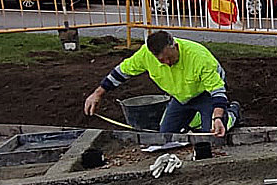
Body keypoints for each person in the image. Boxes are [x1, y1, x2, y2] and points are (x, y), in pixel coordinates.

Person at [83, 30, 239, 137]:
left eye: (170, 58)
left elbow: (217, 91)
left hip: (206, 94)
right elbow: (121, 72)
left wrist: (217, 117)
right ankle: (196, 118)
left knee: (212, 135)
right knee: (164, 136)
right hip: (181, 96)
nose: (167, 63)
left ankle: (231, 113)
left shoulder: (199, 57)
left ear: (175, 47)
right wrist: (97, 94)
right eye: (161, 60)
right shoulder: (145, 55)